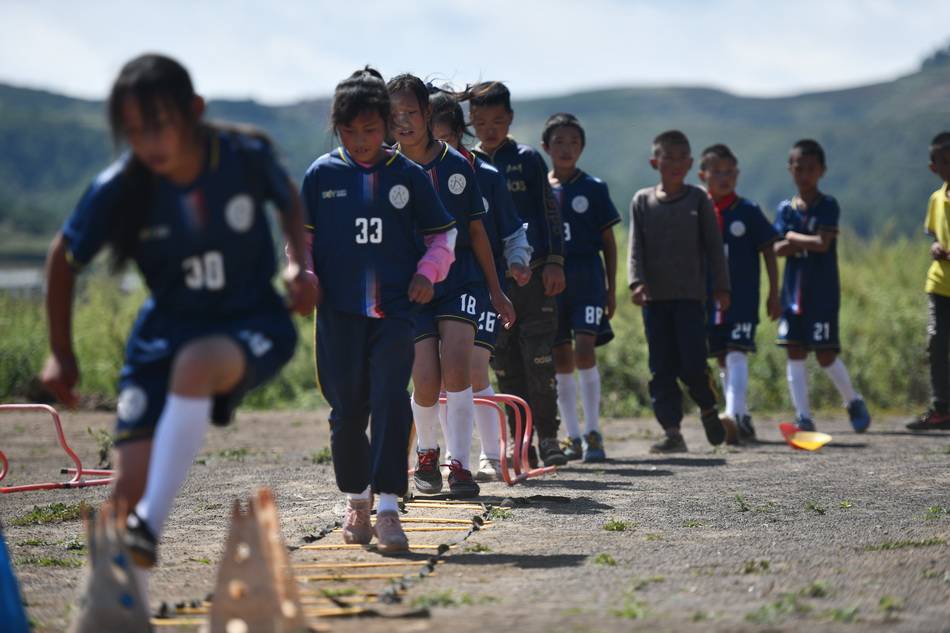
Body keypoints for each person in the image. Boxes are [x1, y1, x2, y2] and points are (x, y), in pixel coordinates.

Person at [40, 54, 315, 602]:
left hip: (252, 321)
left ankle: (151, 524)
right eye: (135, 131)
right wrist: (61, 354)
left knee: (196, 366)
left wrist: (296, 265)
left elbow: (287, 197)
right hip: (163, 335)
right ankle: (121, 608)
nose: (149, 143)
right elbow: (63, 258)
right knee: (127, 492)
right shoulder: (121, 186)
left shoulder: (242, 155)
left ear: (194, 111)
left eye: (160, 125)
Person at [301, 68, 458, 551]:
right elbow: (300, 241)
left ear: (386, 126)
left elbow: (443, 235)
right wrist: (302, 275)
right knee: (347, 410)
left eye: (372, 129)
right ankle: (357, 499)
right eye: (351, 131)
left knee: (391, 400)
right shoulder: (321, 175)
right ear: (338, 127)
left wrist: (427, 273)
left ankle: (389, 507)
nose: (362, 140)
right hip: (338, 315)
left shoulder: (408, 177)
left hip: (395, 314)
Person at [386, 75, 515, 497]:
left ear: (427, 115)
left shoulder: (458, 166)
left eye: (410, 113)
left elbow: (478, 233)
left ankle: (459, 464)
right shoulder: (386, 168)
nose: (402, 122)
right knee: (425, 379)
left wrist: (496, 291)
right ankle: (426, 453)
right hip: (413, 287)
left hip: (462, 281)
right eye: (394, 115)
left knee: (458, 367)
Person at [428, 87, 533, 481]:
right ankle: (452, 455)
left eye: (444, 138)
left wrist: (519, 261)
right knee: (439, 372)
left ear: (460, 133)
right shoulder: (419, 174)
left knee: (474, 369)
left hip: (478, 286)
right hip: (435, 288)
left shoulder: (486, 176)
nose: (438, 146)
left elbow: (511, 230)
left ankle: (493, 455)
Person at [470, 81, 568, 467]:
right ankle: (519, 443)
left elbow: (549, 212)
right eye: (480, 121)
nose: (490, 128)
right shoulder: (468, 165)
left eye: (497, 120)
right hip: (493, 282)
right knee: (505, 364)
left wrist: (556, 262)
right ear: (470, 122)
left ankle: (548, 438)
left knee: (540, 361)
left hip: (536, 279)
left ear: (509, 118)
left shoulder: (527, 159)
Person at [628, 130, 730, 453]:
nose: (673, 163)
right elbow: (635, 249)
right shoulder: (642, 201)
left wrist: (722, 287)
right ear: (654, 161)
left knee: (693, 363)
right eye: (667, 157)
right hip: (655, 300)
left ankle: (708, 406)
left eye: (680, 157)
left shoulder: (698, 199)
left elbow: (715, 248)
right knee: (661, 367)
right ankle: (672, 431)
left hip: (690, 298)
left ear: (689, 163)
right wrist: (636, 282)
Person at [773, 139, 870, 433]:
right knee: (795, 351)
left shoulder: (827, 205)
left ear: (822, 171)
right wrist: (800, 240)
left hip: (822, 293)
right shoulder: (785, 208)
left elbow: (822, 243)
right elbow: (777, 248)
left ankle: (852, 399)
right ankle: (803, 415)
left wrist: (793, 238)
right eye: (799, 168)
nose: (804, 175)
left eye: (810, 169)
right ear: (790, 169)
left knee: (825, 353)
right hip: (792, 294)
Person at [541, 113, 620, 462]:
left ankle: (593, 431)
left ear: (582, 147)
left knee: (585, 350)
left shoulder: (594, 188)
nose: (566, 148)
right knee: (560, 356)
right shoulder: (540, 187)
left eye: (573, 142)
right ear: (546, 147)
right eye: (559, 141)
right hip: (552, 281)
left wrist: (611, 288)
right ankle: (571, 435)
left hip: (587, 277)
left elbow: (609, 241)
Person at [697, 144, 781, 443]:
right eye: (717, 172)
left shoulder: (747, 211)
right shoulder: (697, 209)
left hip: (742, 296)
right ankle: (741, 417)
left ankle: (731, 417)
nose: (724, 178)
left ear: (738, 174)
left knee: (737, 352)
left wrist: (774, 292)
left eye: (730, 172)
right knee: (721, 357)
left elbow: (769, 250)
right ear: (702, 175)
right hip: (707, 299)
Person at [907, 131, 950, 431]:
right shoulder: (936, 199)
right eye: (945, 161)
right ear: (934, 168)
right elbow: (935, 234)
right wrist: (935, 246)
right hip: (939, 284)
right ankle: (942, 408)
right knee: (936, 344)